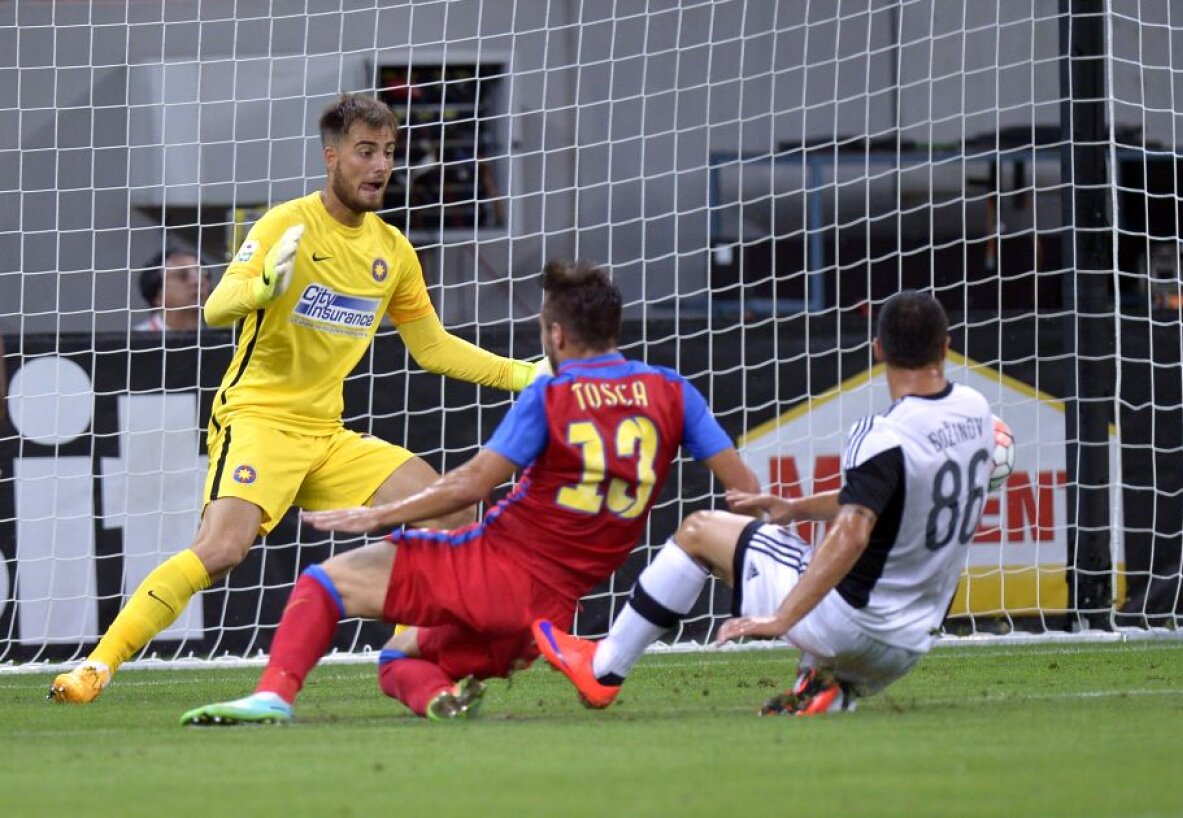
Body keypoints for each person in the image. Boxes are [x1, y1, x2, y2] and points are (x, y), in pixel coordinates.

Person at [49, 92, 549, 704]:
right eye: (365, 151)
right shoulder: (285, 224)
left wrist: (527, 376)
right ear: (332, 156)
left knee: (448, 509)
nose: (379, 166)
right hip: (258, 419)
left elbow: (434, 348)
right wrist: (262, 284)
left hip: (327, 433)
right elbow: (214, 308)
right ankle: (96, 667)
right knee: (221, 550)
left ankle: (409, 660)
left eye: (388, 153)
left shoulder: (392, 251)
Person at [178, 259, 759, 724]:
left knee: (324, 584)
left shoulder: (552, 396)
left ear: (555, 334)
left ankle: (274, 696)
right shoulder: (672, 393)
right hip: (548, 616)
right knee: (397, 662)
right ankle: (443, 701)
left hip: (490, 569)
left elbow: (471, 484)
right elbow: (745, 491)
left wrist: (379, 514)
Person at [534, 290, 996, 715]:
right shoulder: (977, 412)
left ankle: (603, 670)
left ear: (877, 350)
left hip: (850, 625)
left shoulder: (883, 434)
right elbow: (892, 496)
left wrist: (781, 618)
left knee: (699, 530)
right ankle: (826, 690)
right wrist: (795, 509)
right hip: (908, 645)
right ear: (946, 346)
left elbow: (854, 531)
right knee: (812, 557)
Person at [134, 246, 213, 332]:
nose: (198, 281)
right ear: (158, 296)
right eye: (182, 276)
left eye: (204, 274)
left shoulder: (220, 340)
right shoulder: (135, 341)